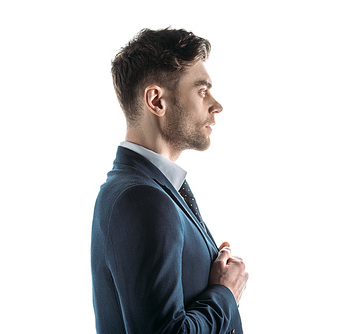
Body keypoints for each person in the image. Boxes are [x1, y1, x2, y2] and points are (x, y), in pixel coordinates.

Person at [91, 28, 248, 334]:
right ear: (156, 101)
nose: (216, 105)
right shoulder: (140, 198)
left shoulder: (151, 189)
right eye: (202, 90)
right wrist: (226, 294)